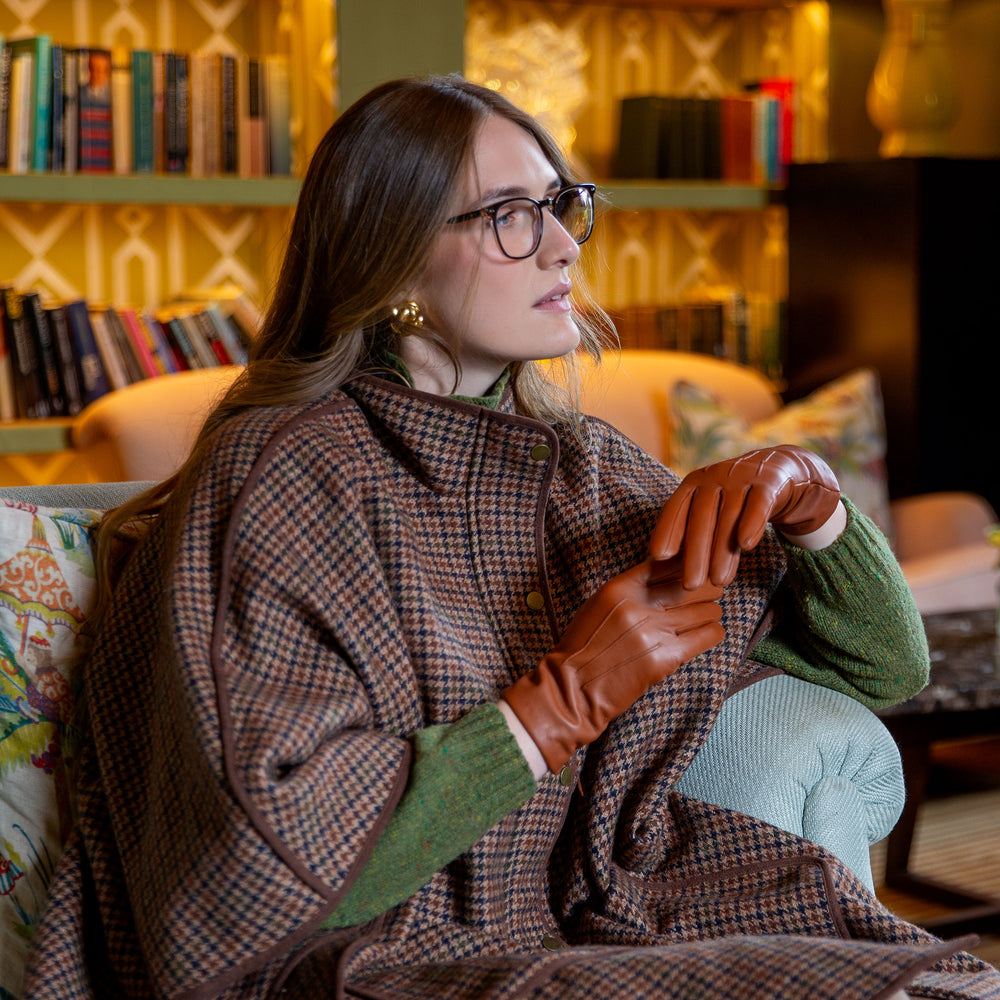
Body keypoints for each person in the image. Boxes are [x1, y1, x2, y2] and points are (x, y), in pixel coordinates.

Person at [25, 75, 1000, 1000]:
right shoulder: (285, 476)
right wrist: (563, 699)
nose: (563, 248)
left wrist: (810, 497)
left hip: (586, 906)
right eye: (507, 215)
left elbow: (886, 665)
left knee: (939, 979)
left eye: (559, 202)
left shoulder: (583, 467)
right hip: (361, 963)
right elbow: (248, 871)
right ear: (391, 256)